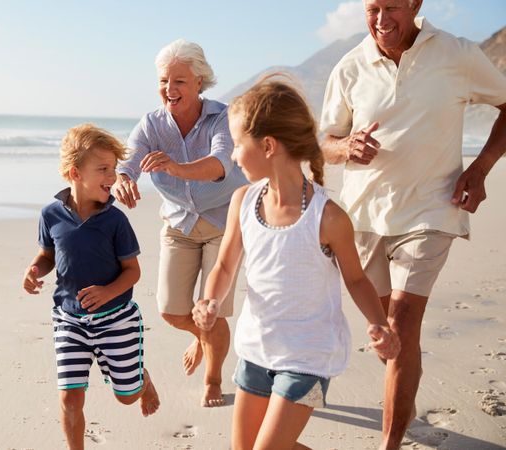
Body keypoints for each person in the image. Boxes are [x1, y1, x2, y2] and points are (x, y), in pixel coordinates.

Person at [320, 1, 506, 447]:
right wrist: (346, 147)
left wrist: (479, 169)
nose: (382, 20)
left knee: (401, 325)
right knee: (388, 334)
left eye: (392, 8)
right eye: (372, 9)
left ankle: (389, 443)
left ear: (416, 4)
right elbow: (323, 142)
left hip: (432, 209)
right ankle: (403, 390)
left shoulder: (457, 54)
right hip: (363, 217)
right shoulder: (349, 67)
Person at [192, 77, 401, 449]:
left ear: (268, 145)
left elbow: (355, 279)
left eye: (238, 144)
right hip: (257, 347)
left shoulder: (328, 218)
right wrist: (209, 300)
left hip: (308, 356)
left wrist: (379, 324)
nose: (234, 155)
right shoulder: (243, 201)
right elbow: (224, 266)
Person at [113, 39, 248, 407]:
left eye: (180, 82)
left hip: (224, 224)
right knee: (172, 311)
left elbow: (222, 162)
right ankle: (201, 335)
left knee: (210, 310)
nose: (169, 90)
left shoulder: (223, 116)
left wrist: (175, 167)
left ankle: (214, 380)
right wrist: (123, 179)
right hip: (179, 226)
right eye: (163, 81)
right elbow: (127, 160)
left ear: (200, 81)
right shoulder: (152, 124)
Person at [22, 124, 160, 450]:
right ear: (75, 172)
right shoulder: (51, 215)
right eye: (103, 169)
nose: (112, 177)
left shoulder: (115, 221)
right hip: (69, 319)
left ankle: (142, 379)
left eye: (113, 168)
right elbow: (47, 255)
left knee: (126, 397)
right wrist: (34, 269)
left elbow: (132, 271)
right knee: (70, 397)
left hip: (117, 317)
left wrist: (108, 292)